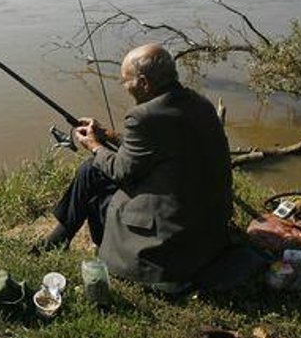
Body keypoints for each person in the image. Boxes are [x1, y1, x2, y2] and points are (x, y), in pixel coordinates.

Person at [40, 42, 233, 290]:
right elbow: (156, 147)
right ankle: (59, 240)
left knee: (93, 171)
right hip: (208, 225)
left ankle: (61, 242)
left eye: (125, 81)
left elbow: (122, 172)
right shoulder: (198, 103)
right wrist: (107, 134)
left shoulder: (144, 116)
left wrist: (95, 146)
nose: (125, 87)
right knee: (92, 169)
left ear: (144, 83)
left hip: (172, 238)